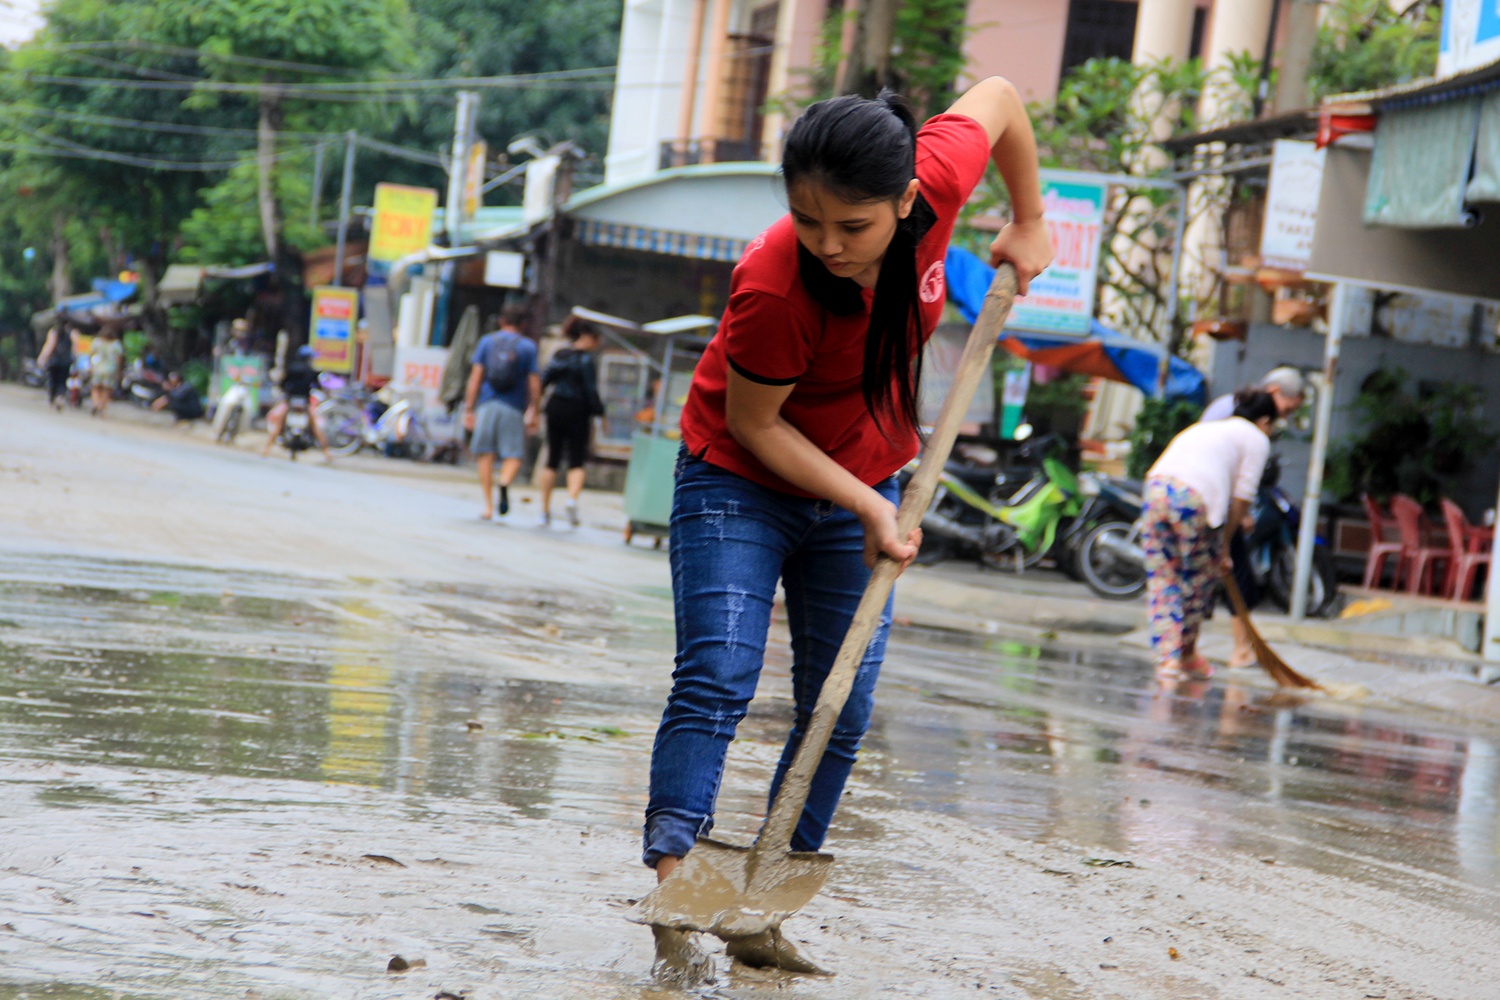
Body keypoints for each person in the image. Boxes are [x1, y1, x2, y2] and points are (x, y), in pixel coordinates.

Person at [641, 78, 1052, 980]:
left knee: (842, 702)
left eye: (852, 228)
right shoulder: (777, 284)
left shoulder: (934, 175)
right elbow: (756, 425)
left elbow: (1003, 98)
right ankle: (677, 889)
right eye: (807, 219)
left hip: (868, 469)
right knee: (718, 673)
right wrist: (871, 505)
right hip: (738, 478)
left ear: (909, 201)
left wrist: (1030, 215)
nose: (828, 244)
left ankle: (765, 901)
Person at [1141, 389, 1277, 682]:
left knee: (1164, 580)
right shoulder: (1256, 438)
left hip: (1155, 489)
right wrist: (1225, 545)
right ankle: (1185, 653)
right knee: (1197, 581)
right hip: (1193, 498)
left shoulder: (1208, 428)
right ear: (1265, 421)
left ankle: (1169, 660)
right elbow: (1242, 497)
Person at [1199, 366, 1306, 668]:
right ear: (1273, 394)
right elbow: (1225, 470)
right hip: (1211, 502)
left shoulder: (1235, 412)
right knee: (1232, 571)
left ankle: (1217, 648)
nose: (1280, 419)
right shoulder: (1248, 428)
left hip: (1205, 498)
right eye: (1285, 409)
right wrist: (1236, 516)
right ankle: (1239, 650)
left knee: (1216, 574)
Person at [463, 304, 540, 520]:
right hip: (514, 407)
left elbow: (475, 377)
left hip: (487, 404)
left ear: (501, 321)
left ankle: (488, 506)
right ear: (523, 324)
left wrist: (469, 408)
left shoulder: (487, 342)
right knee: (514, 455)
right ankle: (504, 482)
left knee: (485, 454)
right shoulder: (528, 347)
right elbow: (534, 383)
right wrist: (535, 410)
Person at [537, 317, 604, 527]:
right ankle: (572, 500)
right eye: (595, 339)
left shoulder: (559, 354)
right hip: (578, 411)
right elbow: (591, 390)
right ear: (585, 337)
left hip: (555, 407)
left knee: (552, 459)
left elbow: (543, 380)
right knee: (577, 459)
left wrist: (534, 407)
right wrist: (600, 413)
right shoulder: (586, 360)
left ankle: (545, 509)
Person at [260, 345, 333, 460]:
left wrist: (285, 392)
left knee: (278, 423)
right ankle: (327, 453)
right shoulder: (311, 371)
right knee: (315, 425)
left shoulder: (291, 368)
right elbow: (317, 386)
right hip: (305, 402)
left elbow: (283, 383)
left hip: (290, 401)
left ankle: (266, 449)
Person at [1201, 366, 1305, 422]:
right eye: (1287, 410)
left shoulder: (1238, 403)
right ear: (1274, 390)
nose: (1283, 417)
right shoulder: (1235, 408)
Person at [36, 320, 75, 411]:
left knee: (53, 381)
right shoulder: (72, 332)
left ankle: (52, 400)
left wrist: (42, 358)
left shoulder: (54, 331)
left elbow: (50, 346)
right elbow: (75, 348)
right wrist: (75, 359)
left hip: (54, 360)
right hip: (66, 361)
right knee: (62, 381)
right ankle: (60, 398)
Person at [88, 326, 124, 417]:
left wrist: (90, 366)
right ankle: (102, 408)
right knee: (107, 390)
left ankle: (96, 404)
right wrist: (119, 372)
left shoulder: (97, 342)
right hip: (110, 370)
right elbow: (118, 360)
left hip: (97, 368)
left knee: (96, 388)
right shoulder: (116, 344)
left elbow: (91, 354)